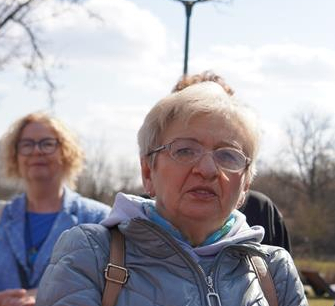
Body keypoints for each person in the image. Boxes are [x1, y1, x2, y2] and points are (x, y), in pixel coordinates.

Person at [36, 82, 307, 306]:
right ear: (148, 171)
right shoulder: (92, 253)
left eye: (228, 156)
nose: (207, 169)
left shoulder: (274, 270)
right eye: (185, 150)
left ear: (245, 184)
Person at [0, 112, 110, 306]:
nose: (36, 151)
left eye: (47, 144)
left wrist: (47, 299)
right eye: (27, 144)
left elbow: (112, 291)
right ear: (15, 156)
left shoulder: (97, 218)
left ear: (66, 152)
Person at [173, 70, 292, 252]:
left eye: (225, 152)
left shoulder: (259, 210)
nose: (206, 168)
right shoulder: (136, 219)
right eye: (187, 150)